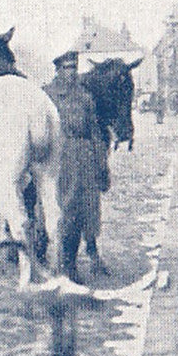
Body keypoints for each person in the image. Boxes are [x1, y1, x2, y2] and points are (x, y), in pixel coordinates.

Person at [44, 51, 109, 281]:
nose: (71, 72)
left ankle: (87, 256)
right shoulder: (47, 95)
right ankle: (65, 264)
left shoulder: (85, 96)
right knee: (66, 209)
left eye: (74, 68)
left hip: (86, 156)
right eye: (67, 68)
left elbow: (95, 131)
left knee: (88, 209)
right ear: (58, 70)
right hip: (60, 155)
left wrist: (102, 164)